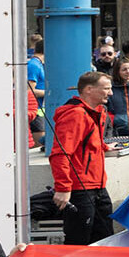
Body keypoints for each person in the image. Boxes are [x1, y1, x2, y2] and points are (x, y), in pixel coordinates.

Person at [49, 72, 115, 245]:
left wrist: (105, 146)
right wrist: (63, 187)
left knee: (105, 238)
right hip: (81, 189)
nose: (110, 93)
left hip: (97, 186)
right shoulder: (76, 115)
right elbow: (60, 153)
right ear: (89, 90)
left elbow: (89, 141)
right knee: (79, 242)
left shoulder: (95, 112)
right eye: (106, 88)